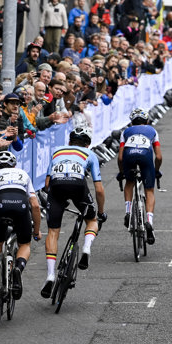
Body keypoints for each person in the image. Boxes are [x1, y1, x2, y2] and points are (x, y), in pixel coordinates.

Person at [40, 126, 106, 298]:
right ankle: (86, 248)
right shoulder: (89, 154)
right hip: (78, 186)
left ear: (69, 142)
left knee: (53, 232)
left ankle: (50, 275)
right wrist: (100, 212)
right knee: (91, 220)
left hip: (57, 187)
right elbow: (99, 189)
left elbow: (47, 184)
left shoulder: (57, 152)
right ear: (88, 144)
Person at [0, 151, 42, 301]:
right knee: (25, 243)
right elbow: (35, 206)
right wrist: (36, 231)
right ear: (14, 165)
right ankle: (17, 269)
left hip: (1, 206)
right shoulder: (23, 174)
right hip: (21, 205)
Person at [117, 108, 162, 244]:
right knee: (149, 190)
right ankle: (149, 220)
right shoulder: (152, 131)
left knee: (129, 183)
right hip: (146, 157)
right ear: (147, 121)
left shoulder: (125, 132)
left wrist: (122, 172)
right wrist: (156, 170)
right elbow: (158, 156)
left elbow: (120, 158)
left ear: (131, 122)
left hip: (129, 156)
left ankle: (128, 212)